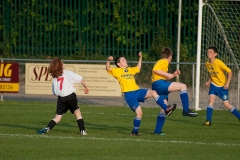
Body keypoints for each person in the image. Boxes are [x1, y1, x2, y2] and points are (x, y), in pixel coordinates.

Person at [106, 52, 176, 136]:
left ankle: (166, 108)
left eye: (125, 60)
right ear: (118, 63)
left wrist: (140, 58)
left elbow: (138, 68)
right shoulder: (116, 71)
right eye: (123, 60)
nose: (125, 61)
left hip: (138, 91)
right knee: (139, 114)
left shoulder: (130, 69)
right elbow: (107, 68)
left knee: (153, 92)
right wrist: (108, 60)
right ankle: (134, 132)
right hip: (130, 95)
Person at [151, 47, 198, 134]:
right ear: (171, 57)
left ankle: (157, 131)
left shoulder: (162, 62)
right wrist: (167, 74)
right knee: (183, 86)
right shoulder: (164, 61)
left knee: (163, 109)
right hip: (159, 84)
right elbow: (155, 69)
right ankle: (186, 110)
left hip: (158, 85)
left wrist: (173, 75)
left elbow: (164, 76)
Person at [38, 57, 89, 135]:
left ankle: (47, 128)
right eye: (62, 63)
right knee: (78, 114)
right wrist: (86, 87)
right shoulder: (67, 73)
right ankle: (82, 131)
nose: (64, 64)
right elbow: (80, 79)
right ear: (60, 66)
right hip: (71, 97)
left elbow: (55, 92)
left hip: (61, 98)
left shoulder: (55, 78)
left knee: (57, 117)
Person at [203, 46, 240, 126]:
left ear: (215, 54)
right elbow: (211, 73)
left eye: (210, 52)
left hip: (222, 86)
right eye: (208, 52)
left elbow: (230, 72)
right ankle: (208, 121)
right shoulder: (207, 63)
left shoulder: (219, 62)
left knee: (226, 104)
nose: (208, 53)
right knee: (210, 101)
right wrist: (209, 81)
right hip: (213, 85)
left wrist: (227, 83)